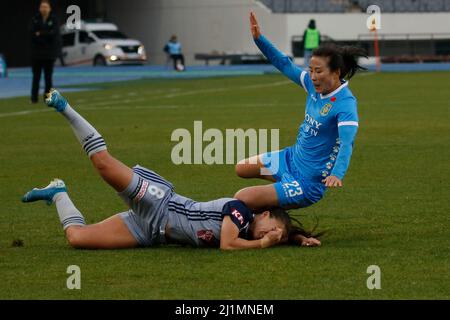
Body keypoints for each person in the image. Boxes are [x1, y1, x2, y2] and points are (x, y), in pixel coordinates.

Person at [21, 89, 321, 250]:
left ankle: (58, 193)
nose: (270, 237)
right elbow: (229, 245)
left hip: (150, 231)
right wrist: (265, 244)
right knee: (103, 163)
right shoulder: (240, 211)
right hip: (159, 202)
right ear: (264, 214)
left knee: (77, 239)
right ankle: (65, 107)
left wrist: (295, 238)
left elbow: (268, 234)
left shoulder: (253, 229)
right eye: (273, 231)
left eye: (275, 238)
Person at [234, 12, 367, 211]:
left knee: (241, 197)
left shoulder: (345, 104)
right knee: (242, 168)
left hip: (308, 183)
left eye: (318, 71)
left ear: (336, 72)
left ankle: (278, 208)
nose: (312, 76)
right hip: (289, 159)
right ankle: (278, 194)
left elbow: (347, 144)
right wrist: (259, 39)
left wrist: (337, 174)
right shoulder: (313, 86)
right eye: (311, 69)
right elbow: (284, 63)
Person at [29, 0, 61, 104]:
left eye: (46, 7)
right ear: (39, 8)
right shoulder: (35, 19)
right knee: (36, 77)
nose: (44, 9)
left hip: (49, 54)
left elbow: (54, 34)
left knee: (48, 78)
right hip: (37, 54)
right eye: (42, 7)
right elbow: (32, 34)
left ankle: (48, 98)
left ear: (49, 8)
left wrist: (41, 34)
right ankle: (34, 99)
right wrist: (45, 35)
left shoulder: (54, 19)